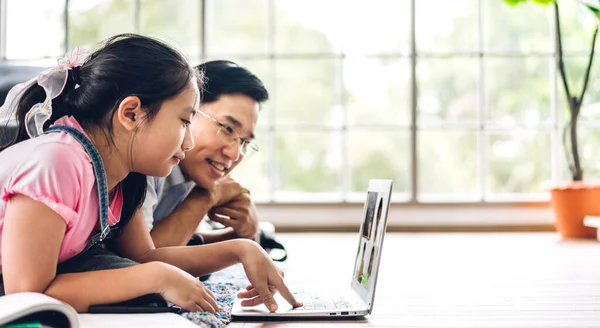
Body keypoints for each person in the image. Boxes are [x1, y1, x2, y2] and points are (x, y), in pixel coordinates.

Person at [0, 34, 299, 314]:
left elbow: (143, 257)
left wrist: (242, 249)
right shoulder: (58, 160)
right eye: (184, 121)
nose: (189, 141)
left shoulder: (125, 175)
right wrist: (156, 277)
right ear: (131, 113)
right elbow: (27, 294)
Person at [142, 60, 267, 250]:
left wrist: (246, 233)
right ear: (189, 109)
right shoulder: (146, 160)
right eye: (227, 128)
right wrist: (207, 196)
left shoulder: (194, 172)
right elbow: (142, 259)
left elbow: (186, 244)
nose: (235, 154)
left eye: (245, 142)